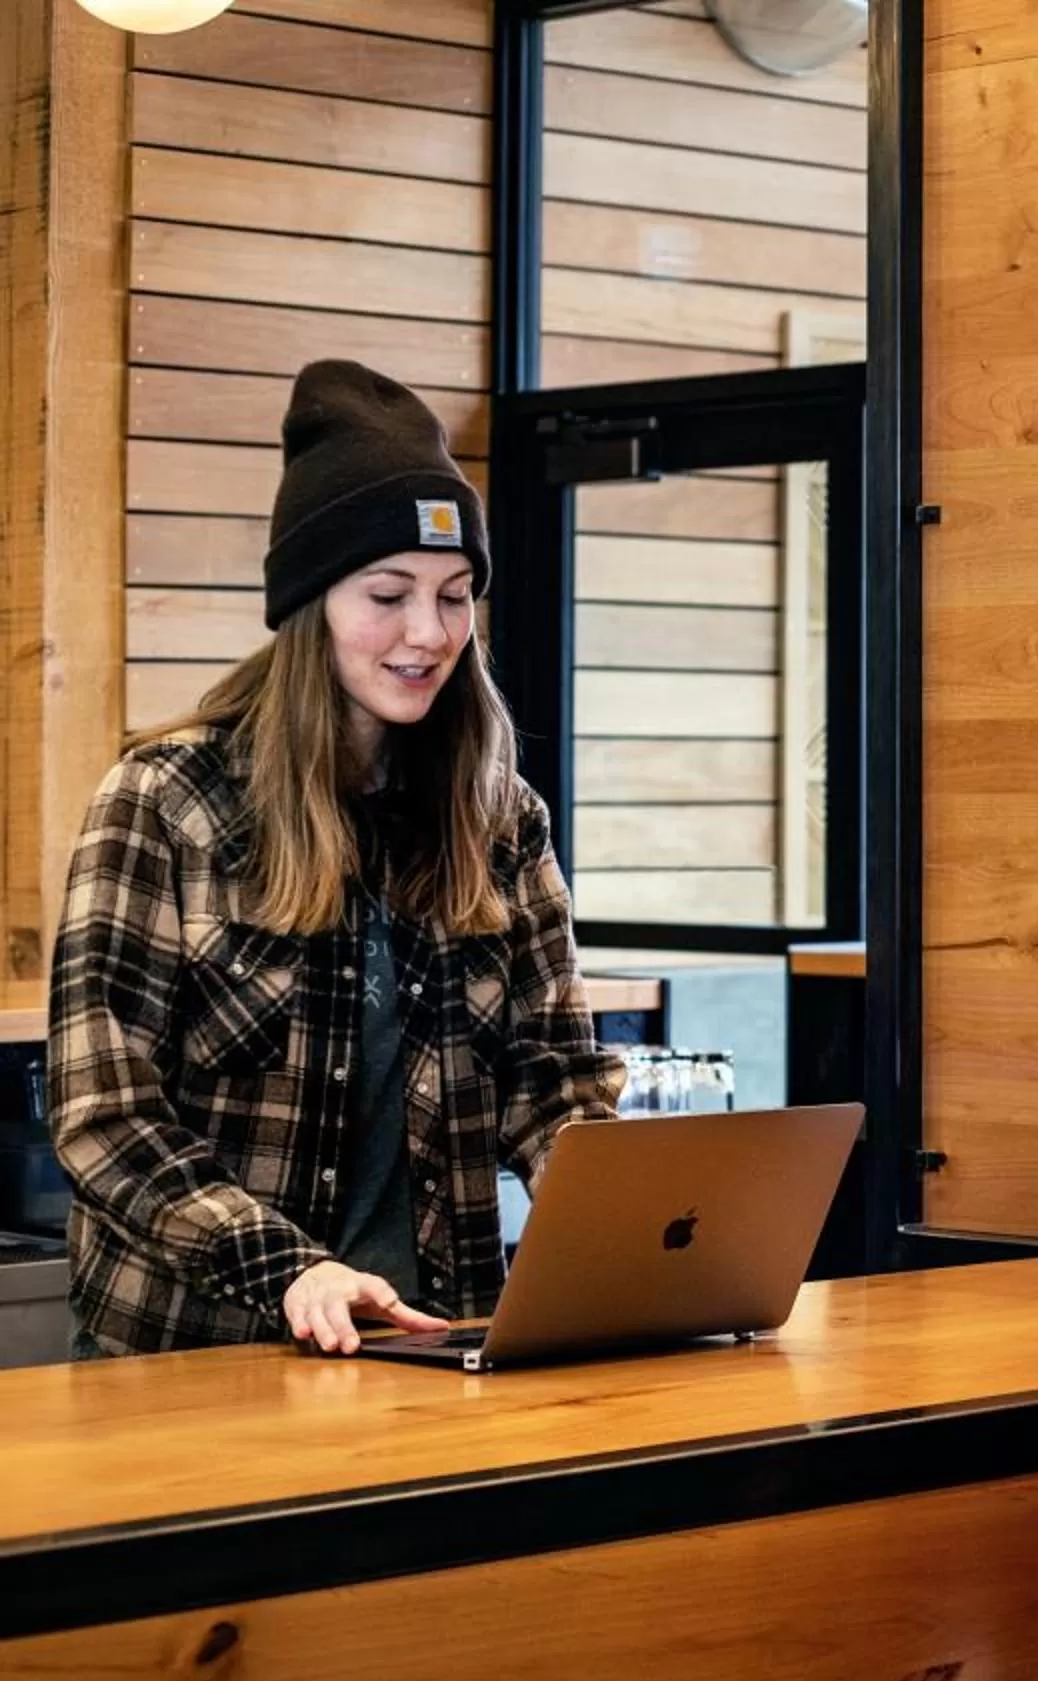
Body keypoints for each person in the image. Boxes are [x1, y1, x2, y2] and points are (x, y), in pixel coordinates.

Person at [50, 359, 620, 1359]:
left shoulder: (501, 819)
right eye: (388, 594)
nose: (427, 633)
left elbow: (554, 1080)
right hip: (203, 1351)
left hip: (436, 1344)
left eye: (455, 596)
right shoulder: (163, 801)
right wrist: (290, 1267)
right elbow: (107, 1117)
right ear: (309, 602)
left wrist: (638, 1206)